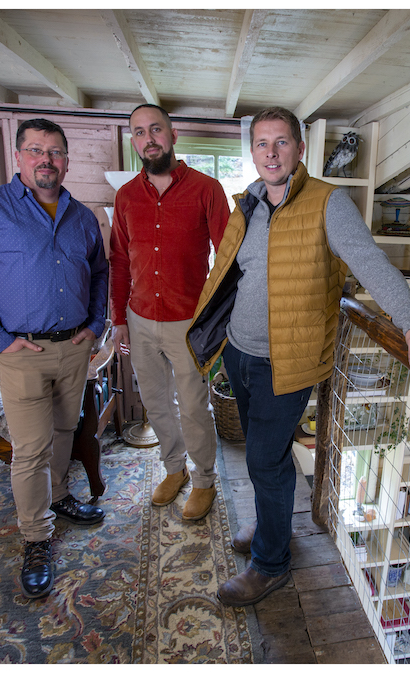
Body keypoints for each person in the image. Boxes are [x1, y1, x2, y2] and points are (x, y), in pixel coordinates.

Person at [186, 106, 410, 607]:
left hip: (285, 361)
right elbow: (232, 272)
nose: (271, 152)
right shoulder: (247, 203)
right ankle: (271, 526)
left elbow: (370, 261)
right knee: (259, 455)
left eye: (281, 142)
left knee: (266, 462)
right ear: (252, 152)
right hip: (241, 354)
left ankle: (270, 564)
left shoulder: (328, 204)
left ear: (299, 149)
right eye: (262, 144)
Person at [0, 118, 109, 600]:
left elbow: (100, 272)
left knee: (64, 430)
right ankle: (36, 538)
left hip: (74, 348)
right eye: (36, 150)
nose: (46, 159)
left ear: (66, 160)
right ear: (18, 157)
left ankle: (58, 497)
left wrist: (96, 325)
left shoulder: (81, 216)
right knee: (31, 447)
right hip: (21, 352)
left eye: (55, 152)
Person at [109, 104, 230, 520]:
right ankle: (174, 470)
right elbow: (120, 261)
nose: (149, 139)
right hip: (140, 319)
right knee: (156, 403)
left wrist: (218, 318)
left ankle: (203, 481)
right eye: (140, 133)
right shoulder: (126, 196)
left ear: (173, 134)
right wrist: (119, 320)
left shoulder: (206, 189)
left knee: (195, 406)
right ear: (134, 142)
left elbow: (227, 258)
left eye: (155, 129)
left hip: (189, 322)